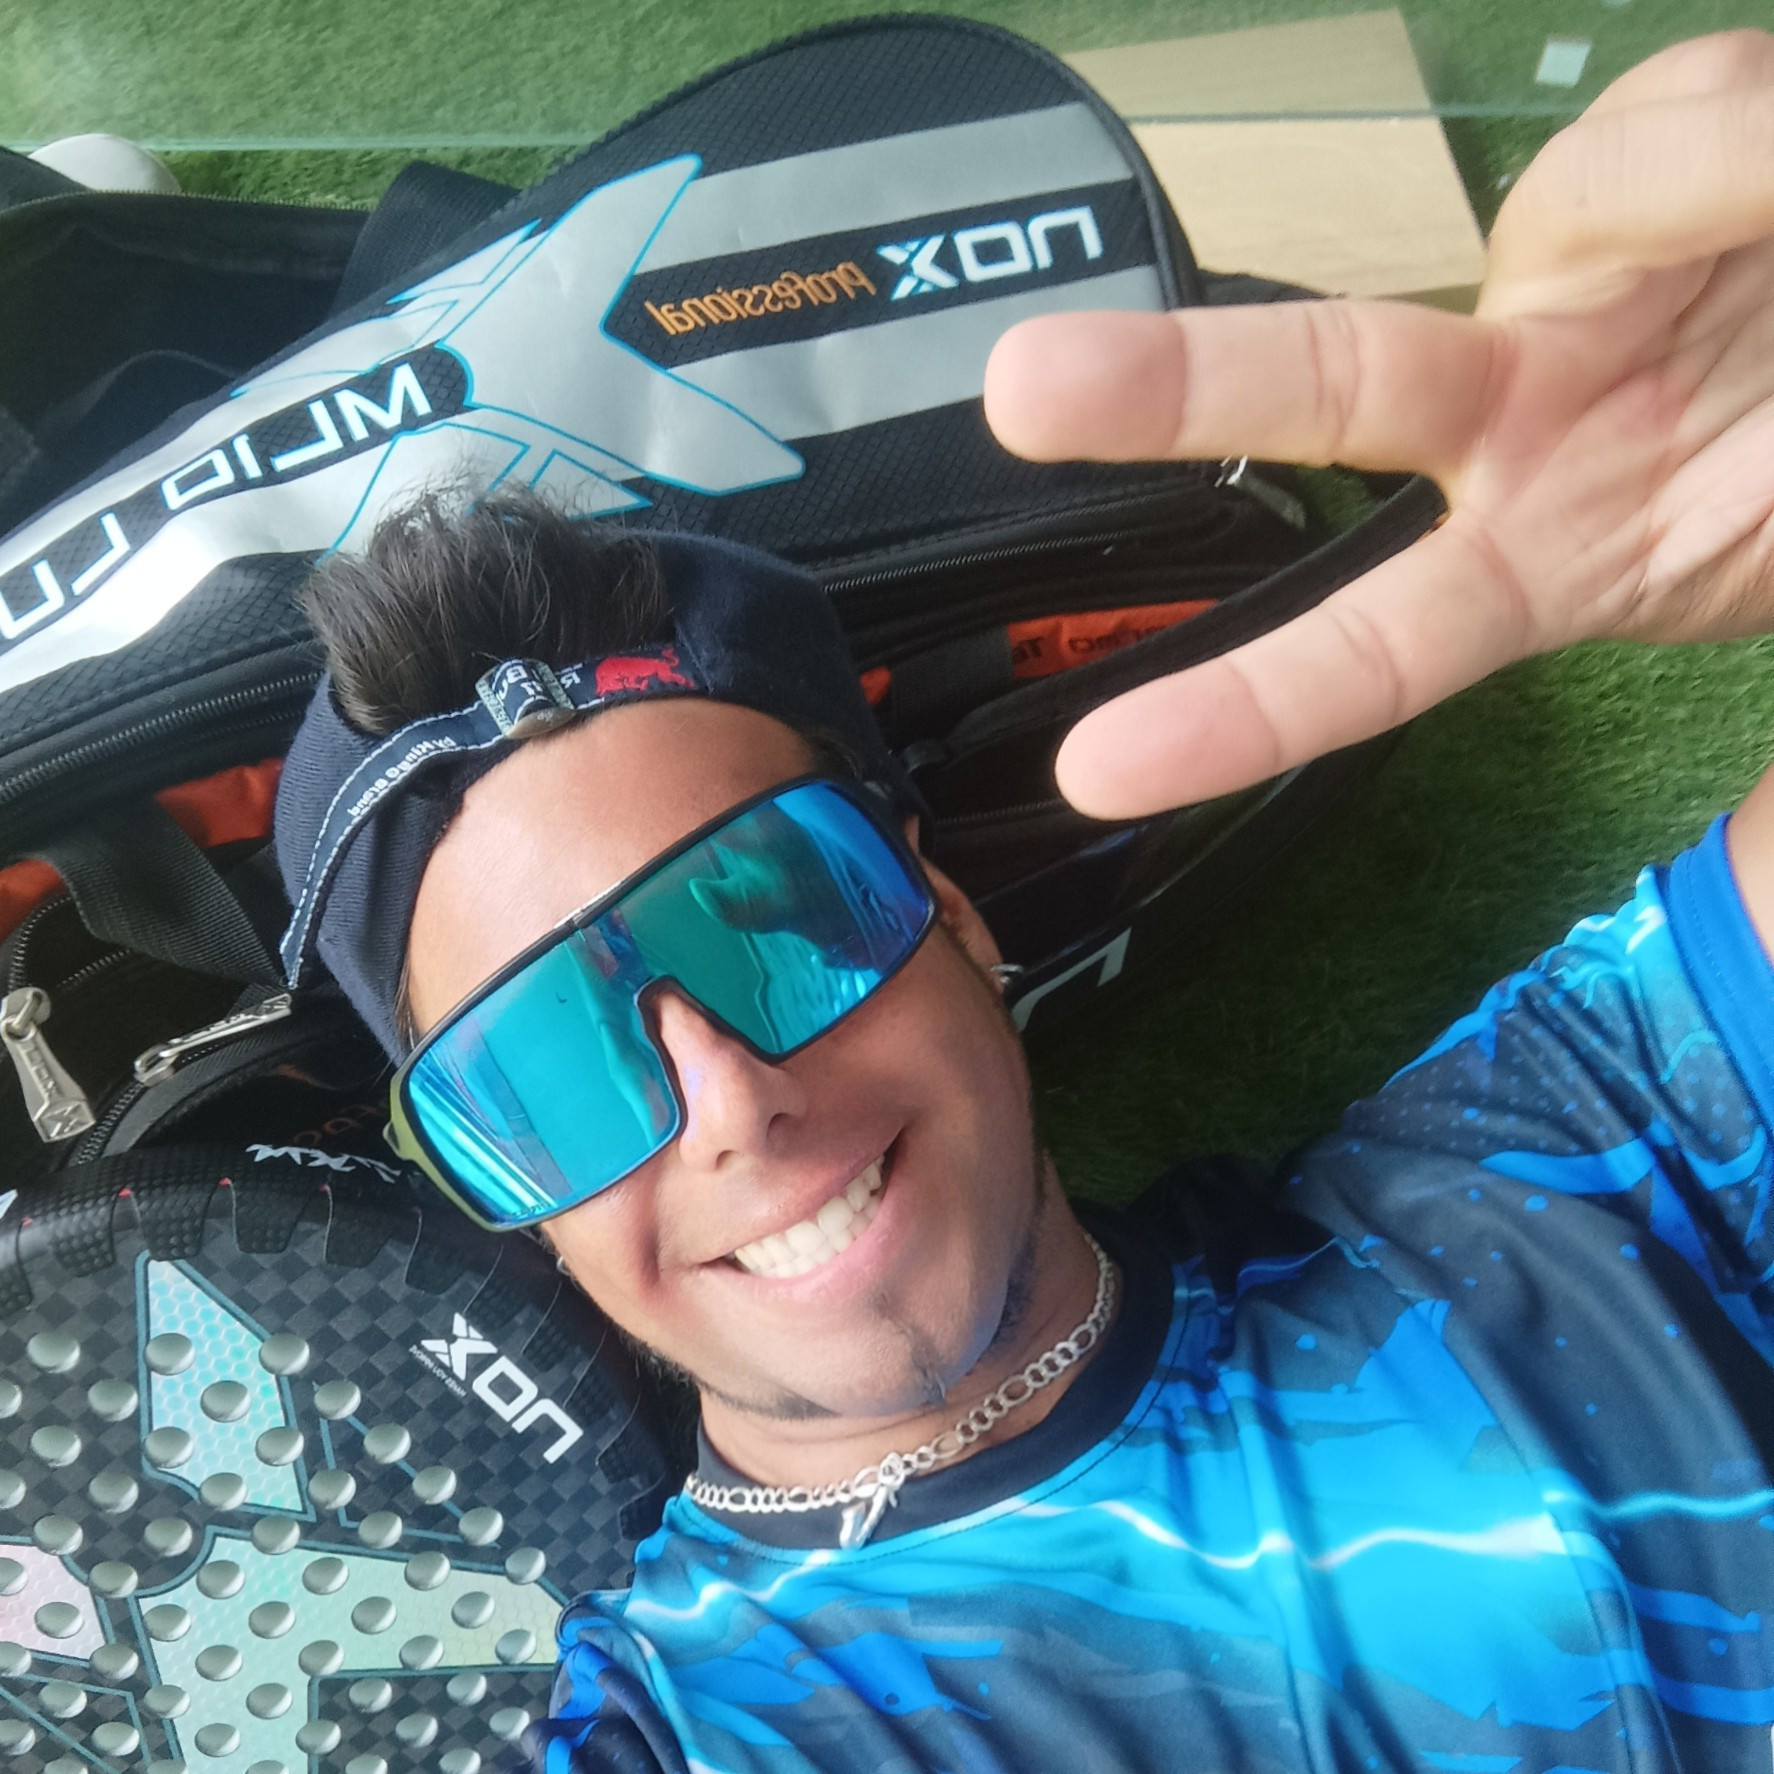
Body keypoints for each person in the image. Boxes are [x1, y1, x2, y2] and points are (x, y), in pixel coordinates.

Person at [269, 31, 1774, 1773]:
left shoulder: (1569, 1153)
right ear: (516, 1197)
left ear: (949, 909)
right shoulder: (680, 1737)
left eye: (768, 913)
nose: (731, 1102)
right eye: (544, 1068)